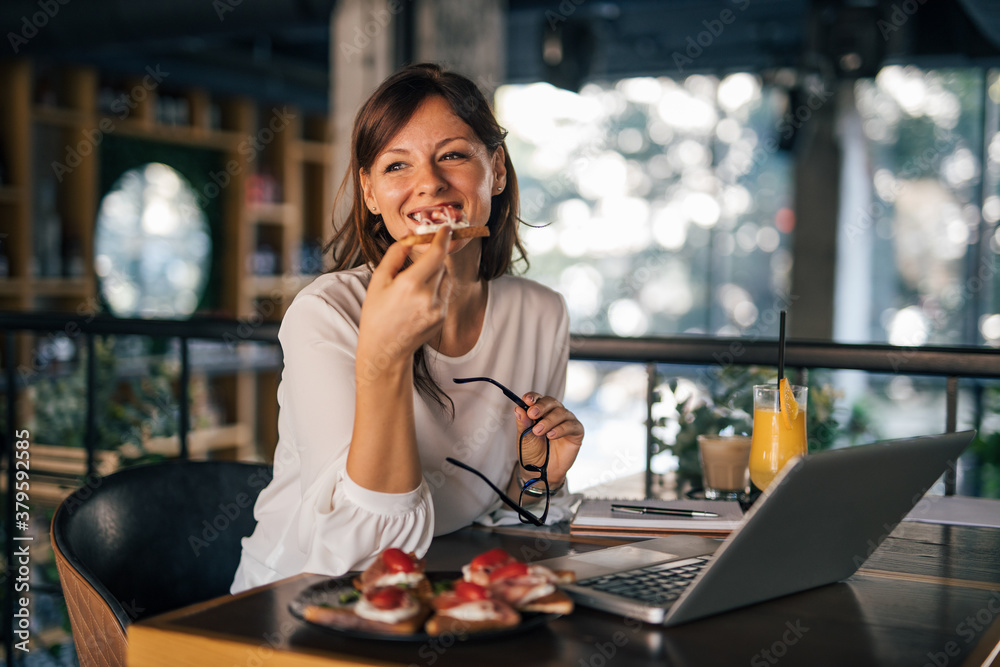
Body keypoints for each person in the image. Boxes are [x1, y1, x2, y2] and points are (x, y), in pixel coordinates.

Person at [231, 63, 584, 593]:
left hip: (440, 587)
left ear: (498, 169)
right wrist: (386, 355)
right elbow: (359, 554)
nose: (429, 183)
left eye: (453, 155)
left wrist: (541, 478)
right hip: (300, 595)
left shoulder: (542, 313)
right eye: (398, 166)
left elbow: (505, 514)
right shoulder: (326, 311)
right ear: (370, 194)